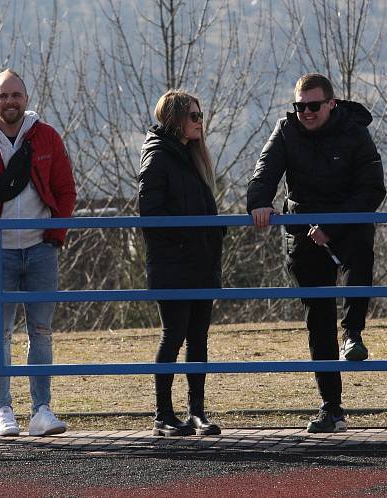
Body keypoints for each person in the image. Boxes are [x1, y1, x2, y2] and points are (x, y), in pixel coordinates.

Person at [247, 73, 385, 433]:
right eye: (299, 106)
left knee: (360, 259)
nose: (305, 112)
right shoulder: (286, 130)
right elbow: (265, 171)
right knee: (317, 317)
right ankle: (331, 408)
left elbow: (372, 189)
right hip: (304, 230)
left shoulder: (354, 131)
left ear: (331, 104)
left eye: (313, 105)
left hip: (347, 224)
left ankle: (352, 333)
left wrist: (333, 227)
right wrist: (259, 204)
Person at [0, 69, 76, 437]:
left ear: (27, 98)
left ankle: (42, 410)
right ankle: (2, 410)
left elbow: (66, 189)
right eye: (3, 96)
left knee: (42, 331)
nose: (10, 102)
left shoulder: (46, 136)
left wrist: (55, 235)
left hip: (40, 249)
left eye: (16, 95)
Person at [138, 89, 224, 437]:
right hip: (173, 265)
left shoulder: (192, 157)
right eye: (193, 116)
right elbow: (150, 214)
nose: (200, 122)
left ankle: (196, 412)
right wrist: (187, 240)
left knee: (198, 338)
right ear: (175, 120)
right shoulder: (158, 157)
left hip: (201, 263)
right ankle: (163, 414)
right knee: (173, 335)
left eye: (200, 115)